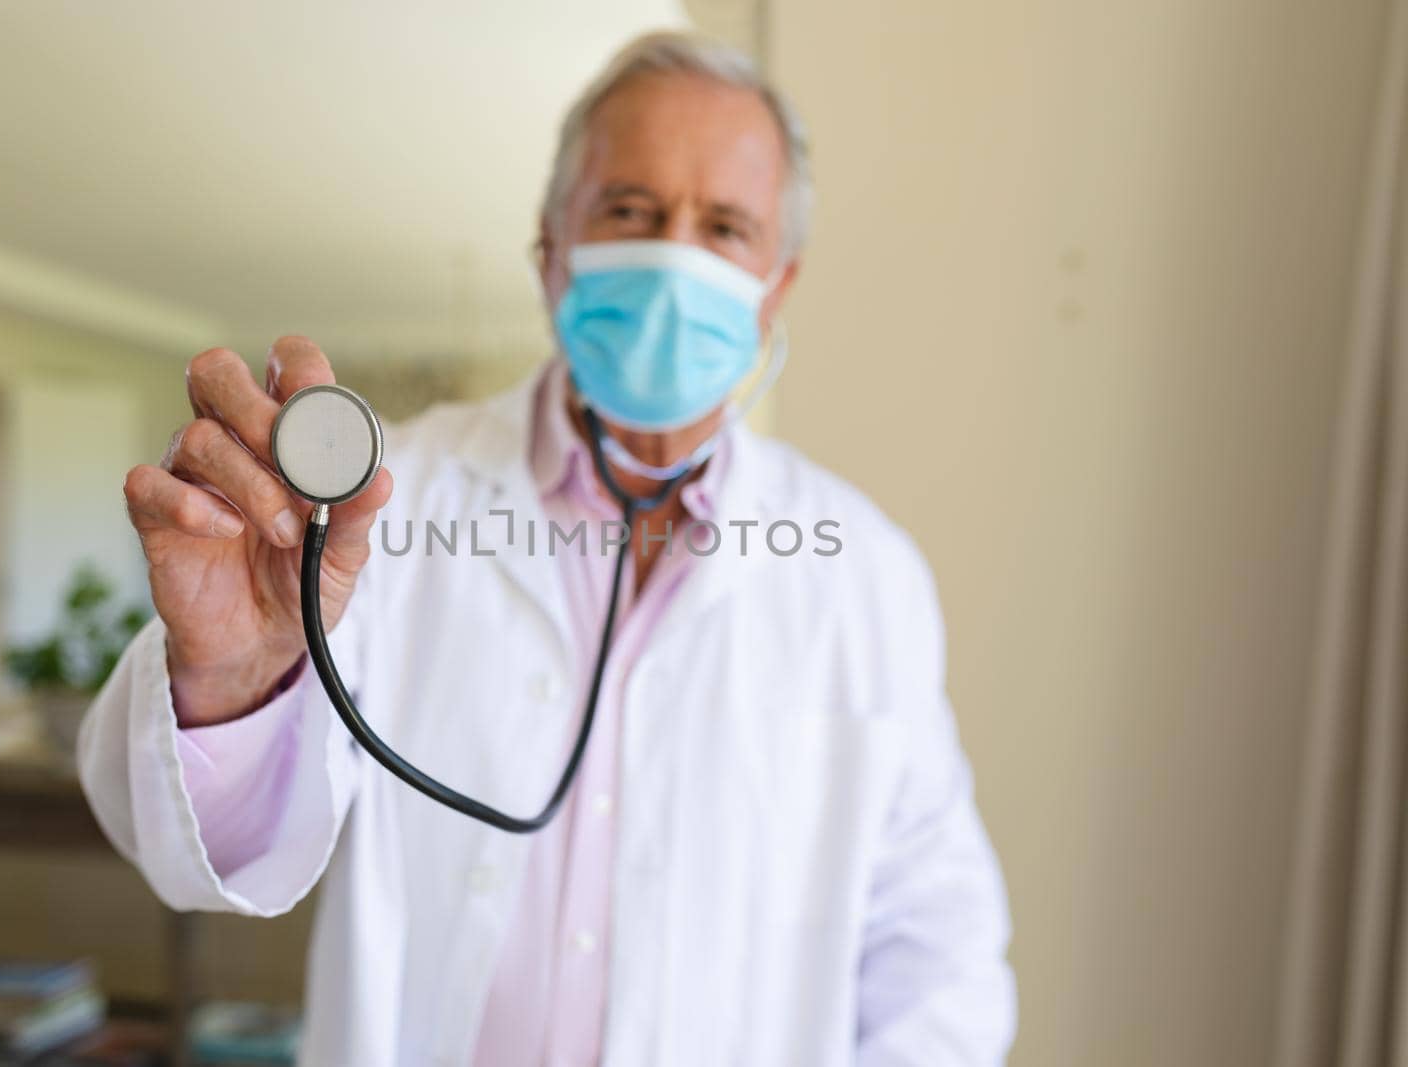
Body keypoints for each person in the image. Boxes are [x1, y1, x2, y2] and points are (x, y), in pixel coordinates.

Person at [79, 30, 1015, 1067]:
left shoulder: (862, 574)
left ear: (778, 285)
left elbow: (937, 953)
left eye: (725, 225)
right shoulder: (386, 507)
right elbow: (198, 846)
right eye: (630, 211)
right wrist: (235, 680)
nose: (674, 257)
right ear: (549, 248)